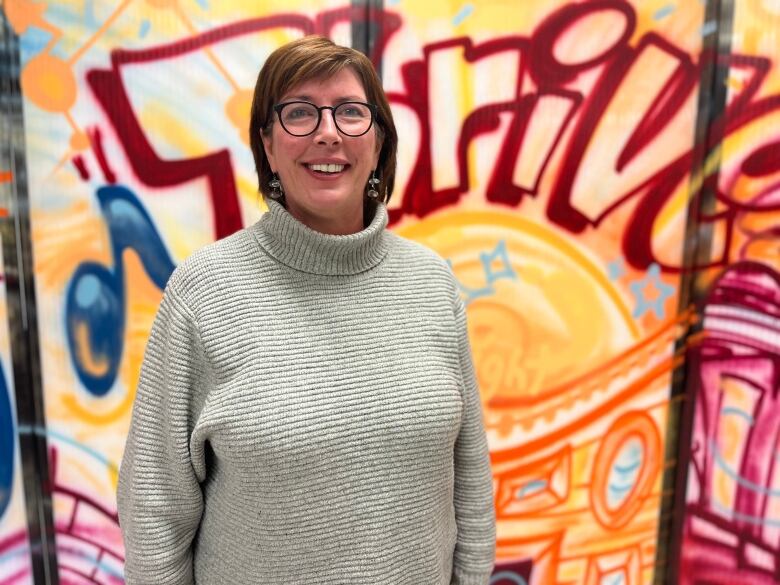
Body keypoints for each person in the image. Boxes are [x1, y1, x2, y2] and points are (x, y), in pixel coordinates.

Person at [117, 35, 496, 584]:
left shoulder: (431, 284)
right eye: (298, 113)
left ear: (378, 142)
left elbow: (470, 481)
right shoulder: (203, 294)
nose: (327, 132)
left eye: (350, 112)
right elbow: (155, 509)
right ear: (267, 145)